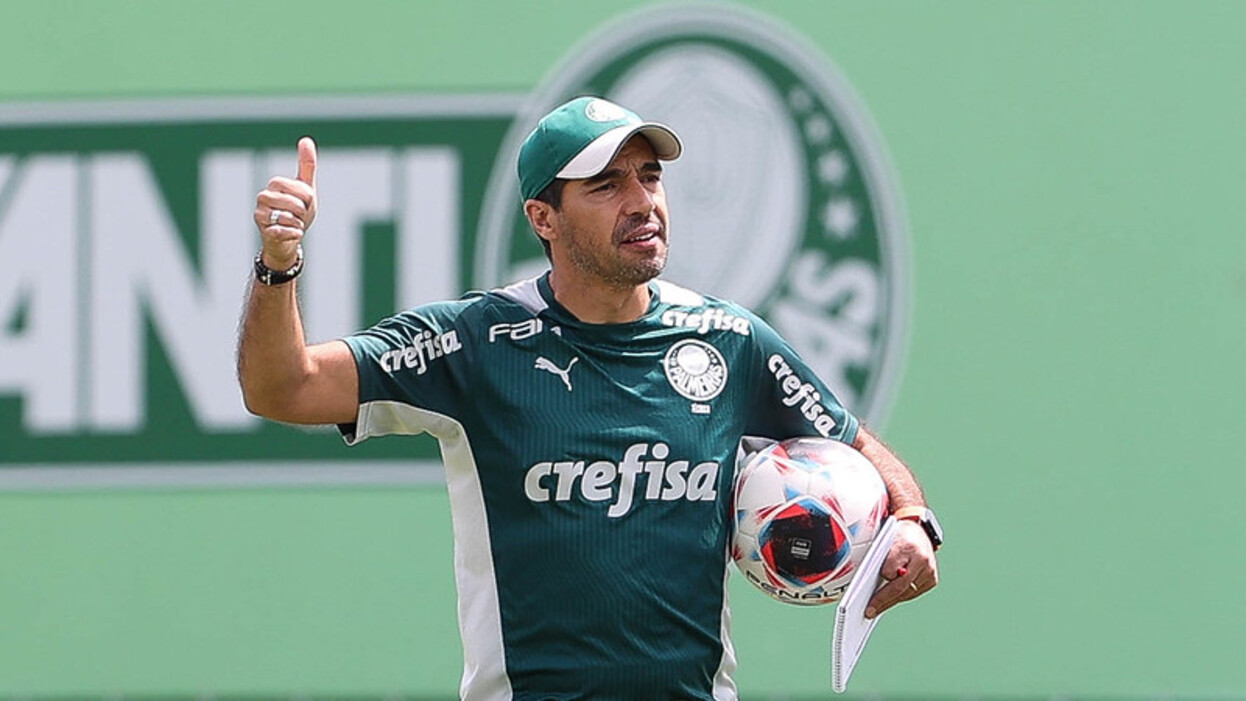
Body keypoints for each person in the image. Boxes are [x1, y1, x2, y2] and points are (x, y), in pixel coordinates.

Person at [237, 96, 941, 700]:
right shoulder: (474, 342)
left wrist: (912, 518)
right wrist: (278, 264)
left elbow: (856, 446)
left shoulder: (730, 340)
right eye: (606, 185)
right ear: (543, 217)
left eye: (650, 176)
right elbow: (283, 387)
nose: (642, 201)